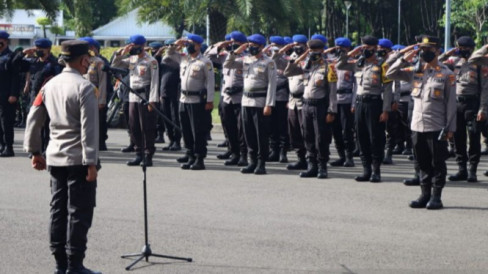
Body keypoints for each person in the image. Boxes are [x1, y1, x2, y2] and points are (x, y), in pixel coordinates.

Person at [24, 40, 101, 274]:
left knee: (58, 210)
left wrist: (34, 151)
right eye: (88, 59)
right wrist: (91, 162)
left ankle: (60, 264)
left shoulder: (49, 85)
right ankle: (74, 265)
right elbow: (89, 129)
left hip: (55, 156)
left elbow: (34, 118)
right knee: (79, 212)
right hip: (78, 158)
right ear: (84, 60)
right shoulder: (85, 87)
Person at [386, 35, 456, 210]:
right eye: (422, 49)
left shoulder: (447, 74)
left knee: (437, 163)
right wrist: (404, 58)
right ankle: (424, 194)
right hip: (417, 125)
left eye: (428, 50)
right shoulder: (415, 71)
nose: (424, 52)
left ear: (437, 51)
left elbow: (451, 103)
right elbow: (389, 73)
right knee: (422, 161)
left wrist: (450, 128)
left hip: (437, 125)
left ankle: (436, 196)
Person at [336, 35, 393, 182]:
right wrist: (352, 53)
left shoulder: (382, 65)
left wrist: (385, 110)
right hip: (360, 103)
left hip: (375, 104)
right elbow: (339, 65)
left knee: (375, 138)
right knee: (361, 137)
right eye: (364, 48)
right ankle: (366, 169)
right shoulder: (358, 64)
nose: (365, 50)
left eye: (368, 48)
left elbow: (387, 89)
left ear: (375, 49)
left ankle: (376, 171)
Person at [284, 38, 337, 179]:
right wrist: (303, 56)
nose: (312, 53)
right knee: (307, 136)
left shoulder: (328, 67)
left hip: (320, 106)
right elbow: (288, 72)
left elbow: (332, 91)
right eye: (310, 50)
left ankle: (322, 167)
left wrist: (332, 110)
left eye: (315, 51)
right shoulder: (305, 65)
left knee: (321, 137)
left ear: (321, 51)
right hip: (305, 104)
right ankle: (311, 166)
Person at [224, 34, 277, 175]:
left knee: (261, 135)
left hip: (260, 102)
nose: (251, 47)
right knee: (248, 133)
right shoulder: (245, 59)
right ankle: (252, 161)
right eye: (249, 44)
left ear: (261, 46)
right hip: (246, 101)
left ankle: (261, 163)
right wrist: (236, 52)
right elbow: (227, 64)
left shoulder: (268, 62)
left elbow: (272, 85)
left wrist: (269, 104)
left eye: (254, 45)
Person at [440, 36, 488, 183]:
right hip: (456, 104)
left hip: (472, 104)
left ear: (472, 49)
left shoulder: (479, 63)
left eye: (466, 48)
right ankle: (462, 170)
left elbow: (485, 89)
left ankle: (473, 170)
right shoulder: (453, 62)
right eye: (460, 48)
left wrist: (483, 109)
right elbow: (437, 62)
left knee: (474, 137)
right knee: (458, 137)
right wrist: (448, 53)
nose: (463, 51)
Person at [164, 34, 215, 170]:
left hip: (197, 100)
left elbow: (210, 82)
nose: (188, 46)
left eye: (191, 43)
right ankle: (190, 155)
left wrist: (210, 100)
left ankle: (199, 158)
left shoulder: (205, 62)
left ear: (198, 45)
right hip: (183, 99)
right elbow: (167, 55)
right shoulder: (183, 59)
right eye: (187, 43)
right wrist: (176, 44)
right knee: (186, 129)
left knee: (197, 130)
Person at [112, 34, 160, 167]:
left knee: (147, 127)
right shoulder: (131, 59)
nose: (132, 48)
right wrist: (121, 53)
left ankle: (148, 155)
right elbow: (115, 64)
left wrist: (153, 100)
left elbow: (155, 82)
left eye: (134, 46)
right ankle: (139, 154)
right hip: (132, 96)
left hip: (145, 97)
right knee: (134, 127)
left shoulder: (151, 61)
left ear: (142, 46)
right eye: (130, 46)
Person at [205, 31, 248, 166]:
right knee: (228, 126)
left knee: (242, 129)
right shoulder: (225, 56)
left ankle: (244, 155)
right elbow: (207, 56)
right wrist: (221, 45)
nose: (232, 45)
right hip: (226, 97)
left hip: (240, 97)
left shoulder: (248, 57)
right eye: (231, 42)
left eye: (235, 43)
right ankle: (233, 152)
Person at [21, 38, 62, 155]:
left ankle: (46, 149)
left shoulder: (54, 63)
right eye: (37, 48)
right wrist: (25, 53)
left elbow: (58, 79)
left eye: (41, 49)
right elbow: (17, 64)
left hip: (49, 97)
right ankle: (35, 150)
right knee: (34, 124)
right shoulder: (33, 61)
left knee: (48, 125)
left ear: (48, 49)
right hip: (34, 96)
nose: (38, 51)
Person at [277, 34, 308, 170]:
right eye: (294, 45)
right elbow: (276, 62)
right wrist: (283, 50)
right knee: (294, 131)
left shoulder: (312, 60)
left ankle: (312, 159)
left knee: (307, 132)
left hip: (305, 100)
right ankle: (301, 158)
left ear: (306, 46)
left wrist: (306, 54)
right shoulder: (291, 59)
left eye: (299, 45)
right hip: (292, 101)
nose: (296, 48)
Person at [327, 37, 356, 167]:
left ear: (348, 49)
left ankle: (349, 156)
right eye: (337, 48)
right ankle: (341, 156)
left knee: (347, 130)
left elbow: (356, 85)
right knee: (336, 130)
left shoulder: (352, 63)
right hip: (334, 100)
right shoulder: (331, 62)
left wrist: (354, 103)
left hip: (347, 100)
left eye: (342, 49)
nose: (339, 51)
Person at [78, 37, 109, 151]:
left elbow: (102, 82)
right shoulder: (78, 60)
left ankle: (100, 143)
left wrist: (101, 100)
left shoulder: (98, 62)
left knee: (98, 121)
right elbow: (62, 60)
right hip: (81, 94)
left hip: (94, 94)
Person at [154, 39, 182, 151]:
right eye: (167, 45)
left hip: (175, 93)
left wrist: (172, 47)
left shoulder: (177, 56)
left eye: (171, 45)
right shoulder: (162, 59)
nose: (168, 47)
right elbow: (155, 64)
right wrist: (158, 53)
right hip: (164, 92)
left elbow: (170, 53)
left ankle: (177, 141)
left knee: (175, 117)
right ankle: (171, 140)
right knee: (166, 117)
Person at [268, 36, 290, 163]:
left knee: (282, 126)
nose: (273, 47)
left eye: (275, 45)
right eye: (271, 45)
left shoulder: (287, 60)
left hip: (283, 96)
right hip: (270, 97)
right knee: (271, 126)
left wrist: (280, 53)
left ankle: (283, 152)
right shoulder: (267, 59)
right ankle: (274, 151)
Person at [0, 31, 21, 157]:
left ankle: (9, 147)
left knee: (6, 122)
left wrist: (14, 94)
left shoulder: (12, 56)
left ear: (6, 41)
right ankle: (2, 145)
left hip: (7, 95)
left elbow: (15, 77)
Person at [148, 41, 167, 144]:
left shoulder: (160, 60)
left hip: (158, 88)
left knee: (159, 114)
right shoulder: (148, 59)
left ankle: (160, 135)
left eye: (155, 49)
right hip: (149, 89)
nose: (153, 52)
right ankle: (154, 134)